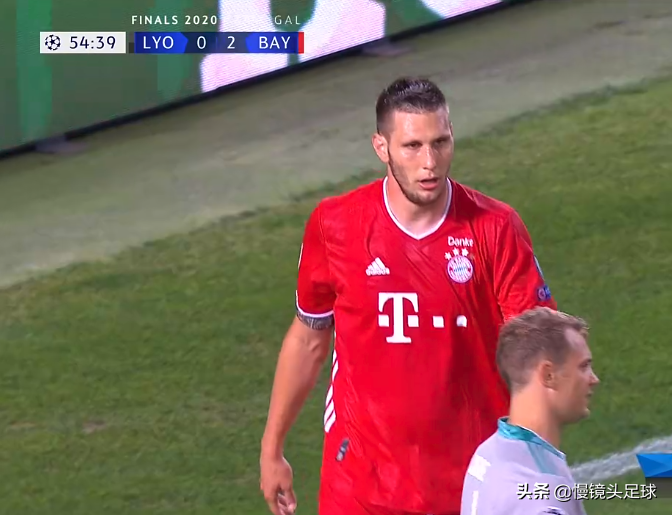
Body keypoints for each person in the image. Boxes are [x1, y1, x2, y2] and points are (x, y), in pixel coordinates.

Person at [259, 76, 557, 515]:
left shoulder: (495, 228)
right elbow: (308, 338)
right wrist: (272, 449)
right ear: (381, 147)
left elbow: (539, 358)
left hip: (470, 481)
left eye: (441, 142)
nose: (429, 163)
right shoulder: (335, 225)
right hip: (359, 484)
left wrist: (536, 467)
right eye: (412, 146)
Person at [460, 307, 599, 515]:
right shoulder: (541, 501)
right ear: (548, 375)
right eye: (583, 366)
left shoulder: (488, 452)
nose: (594, 379)